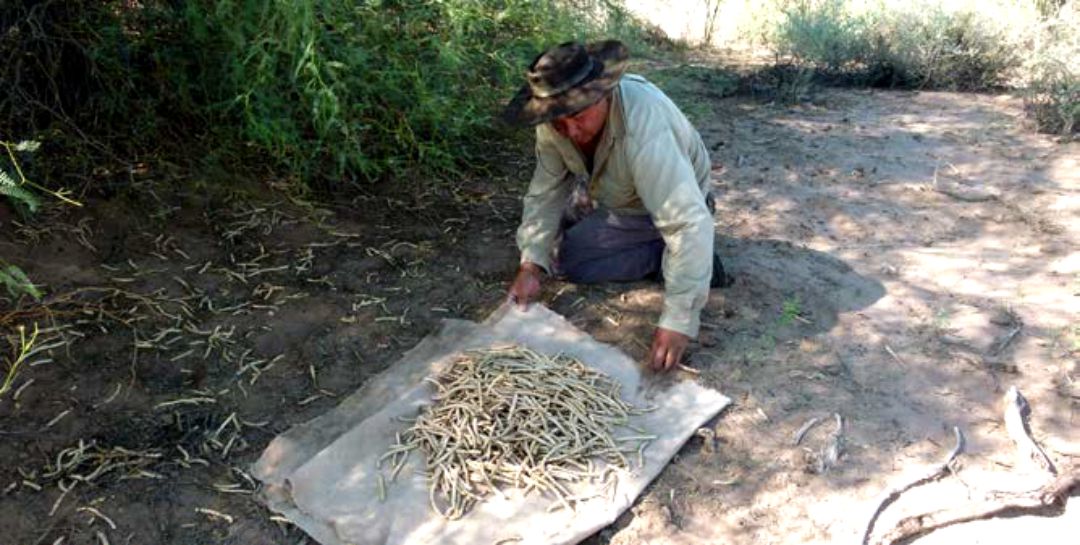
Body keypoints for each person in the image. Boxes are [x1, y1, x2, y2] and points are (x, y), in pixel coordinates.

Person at [502, 40, 732, 372]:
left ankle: (667, 255)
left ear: (603, 94)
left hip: (664, 203)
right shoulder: (555, 121)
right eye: (558, 121)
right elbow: (546, 192)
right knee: (541, 249)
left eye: (577, 116)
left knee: (564, 259)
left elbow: (685, 222)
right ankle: (667, 250)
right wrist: (530, 265)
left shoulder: (644, 128)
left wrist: (679, 320)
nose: (570, 131)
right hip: (613, 189)